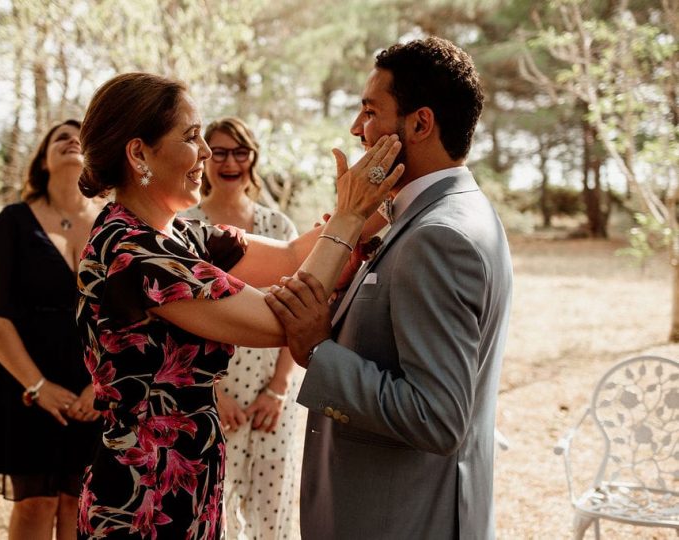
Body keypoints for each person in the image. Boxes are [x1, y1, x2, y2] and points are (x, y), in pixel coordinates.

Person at [74, 72, 403, 539]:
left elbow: (291, 257)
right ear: (139, 153)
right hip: (145, 499)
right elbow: (280, 321)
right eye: (192, 138)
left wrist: (375, 197)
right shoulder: (133, 254)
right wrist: (347, 216)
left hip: (189, 478)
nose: (207, 154)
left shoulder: (180, 234)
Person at [265, 37, 514, 539]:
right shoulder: (430, 217)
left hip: (402, 518)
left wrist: (317, 349)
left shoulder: (439, 236)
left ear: (419, 123)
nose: (357, 129)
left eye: (370, 111)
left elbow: (438, 417)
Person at [0, 119, 104, 540]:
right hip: (25, 386)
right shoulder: (14, 221)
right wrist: (38, 386)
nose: (70, 140)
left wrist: (102, 385)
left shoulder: (113, 224)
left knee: (82, 506)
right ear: (42, 160)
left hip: (95, 389)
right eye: (59, 137)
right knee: (35, 506)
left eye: (80, 136)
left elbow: (130, 316)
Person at [181, 117, 306, 539]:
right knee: (213, 513)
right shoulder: (186, 227)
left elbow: (300, 309)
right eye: (218, 152)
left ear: (253, 159)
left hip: (274, 394)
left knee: (272, 514)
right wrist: (215, 392)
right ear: (205, 158)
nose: (230, 161)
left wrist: (278, 389)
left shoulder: (279, 227)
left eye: (240, 152)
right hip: (210, 394)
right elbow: (182, 319)